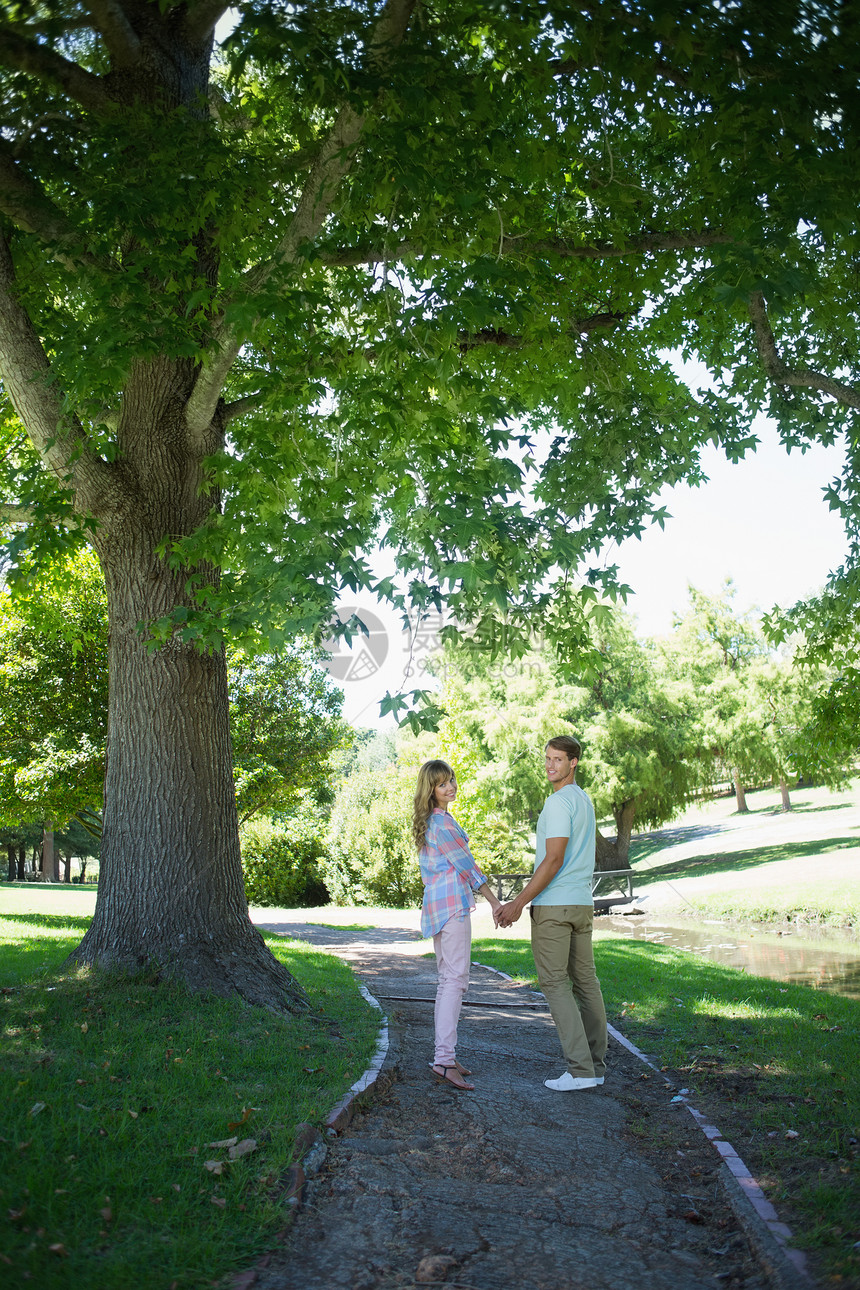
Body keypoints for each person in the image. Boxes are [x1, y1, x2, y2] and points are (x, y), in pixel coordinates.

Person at [496, 736, 607, 1092]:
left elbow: (553, 859)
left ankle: (581, 1071)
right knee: (586, 983)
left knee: (556, 984)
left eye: (557, 760)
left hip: (556, 907)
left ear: (573, 762)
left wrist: (518, 902)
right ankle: (595, 1066)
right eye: (547, 758)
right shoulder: (584, 800)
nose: (549, 766)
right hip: (581, 904)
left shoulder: (559, 803)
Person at [413, 759, 503, 1091]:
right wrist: (495, 902)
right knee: (455, 981)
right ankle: (444, 1060)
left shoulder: (436, 821)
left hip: (441, 908)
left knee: (448, 981)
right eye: (441, 784)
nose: (449, 786)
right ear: (430, 790)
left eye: (450, 780)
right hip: (451, 908)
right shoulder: (442, 825)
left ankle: (446, 1056)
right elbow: (469, 869)